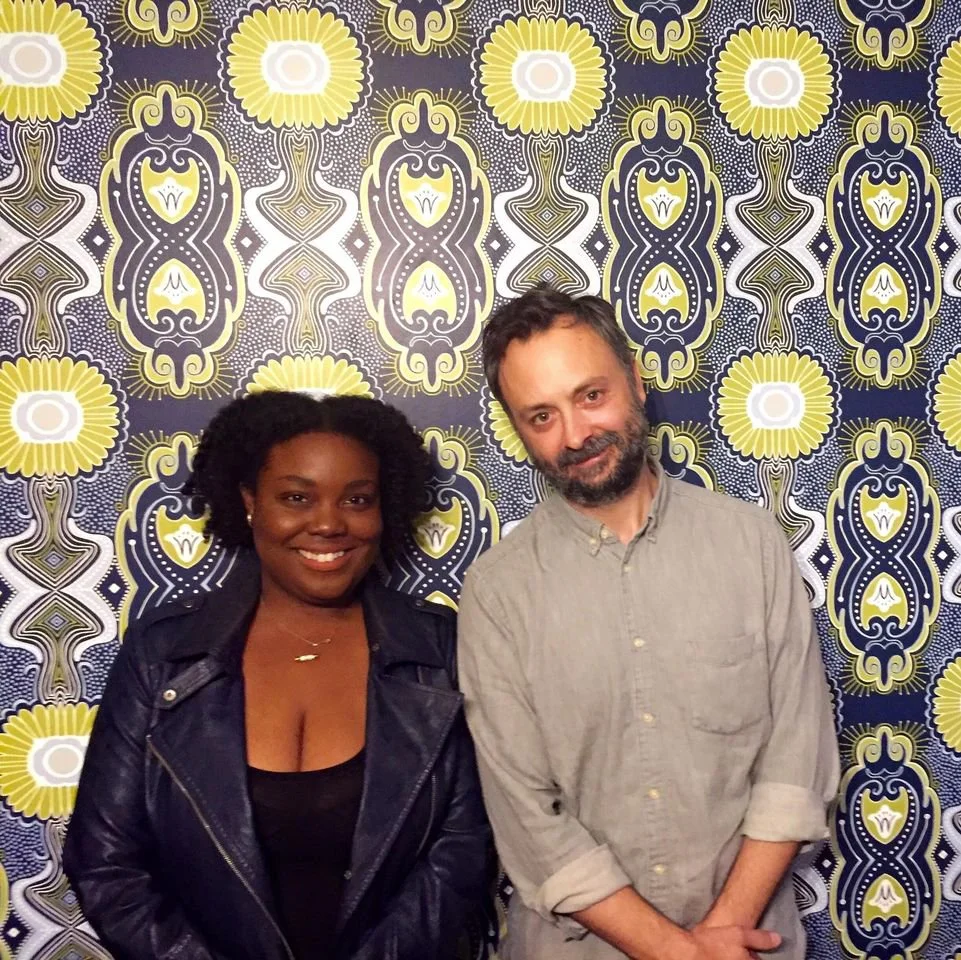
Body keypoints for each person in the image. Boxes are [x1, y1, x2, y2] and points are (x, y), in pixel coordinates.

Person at [457, 284, 840, 960]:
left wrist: (720, 937)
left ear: (635, 382)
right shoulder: (495, 594)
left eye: (590, 395)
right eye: (541, 416)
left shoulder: (750, 545)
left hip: (748, 945)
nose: (575, 435)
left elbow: (795, 766)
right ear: (517, 429)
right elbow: (529, 819)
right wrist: (682, 954)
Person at [64, 390, 493, 960]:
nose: (328, 523)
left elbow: (462, 850)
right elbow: (105, 864)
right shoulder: (162, 653)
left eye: (357, 499)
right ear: (250, 502)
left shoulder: (440, 649)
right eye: (296, 497)